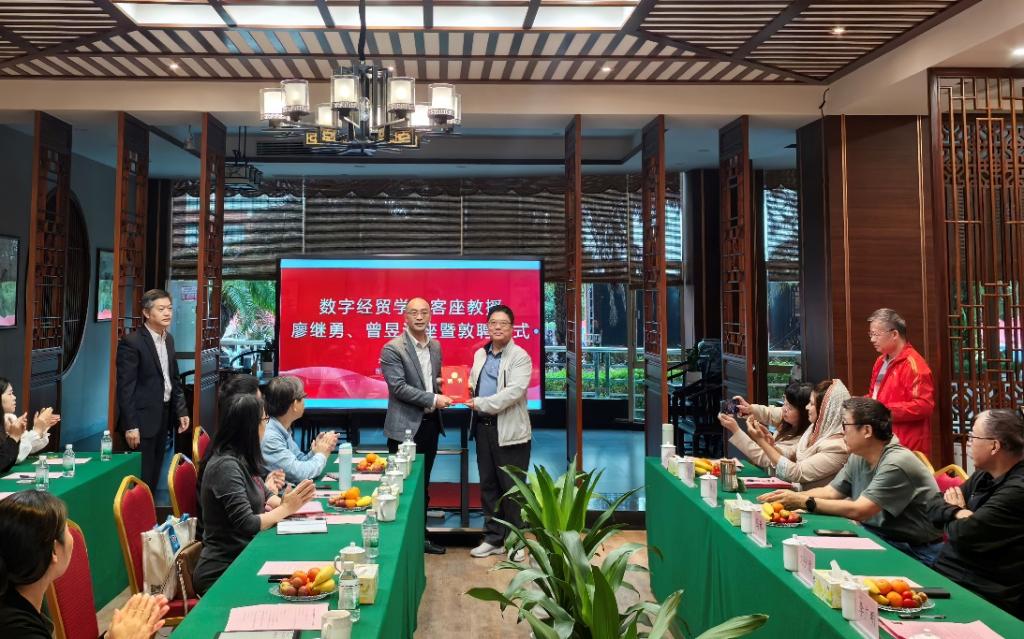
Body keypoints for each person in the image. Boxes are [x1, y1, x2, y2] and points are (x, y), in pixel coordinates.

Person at [761, 398, 943, 564]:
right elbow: (831, 492)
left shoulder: (897, 462)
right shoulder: (859, 455)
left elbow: (860, 510)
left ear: (867, 431)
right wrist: (790, 497)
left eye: (845, 425)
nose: (842, 431)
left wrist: (803, 501)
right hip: (879, 535)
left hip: (916, 551)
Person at [0, 490, 170, 639]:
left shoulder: (17, 602)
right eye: (66, 528)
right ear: (54, 551)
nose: (71, 535)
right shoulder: (17, 629)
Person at [193, 394, 315, 595]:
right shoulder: (225, 466)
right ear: (250, 427)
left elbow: (265, 494)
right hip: (224, 570)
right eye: (265, 420)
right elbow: (248, 523)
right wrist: (286, 508)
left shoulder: (241, 457)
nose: (267, 425)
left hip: (246, 555)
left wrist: (289, 501)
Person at [927, 409, 1024, 618]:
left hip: (985, 593)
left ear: (994, 446)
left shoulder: (1018, 489)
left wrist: (954, 514)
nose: (968, 443)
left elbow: (965, 533)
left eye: (973, 437)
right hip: (946, 574)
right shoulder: (983, 475)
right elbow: (932, 506)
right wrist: (959, 512)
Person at [380, 296, 452, 555]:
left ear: (431, 315)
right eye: (414, 312)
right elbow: (398, 388)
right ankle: (398, 542)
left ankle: (420, 537)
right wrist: (433, 398)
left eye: (424, 312)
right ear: (405, 317)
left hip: (430, 425)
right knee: (400, 486)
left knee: (423, 484)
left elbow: (430, 381)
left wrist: (447, 386)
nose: (419, 317)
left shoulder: (436, 346)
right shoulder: (393, 348)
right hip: (404, 429)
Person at [466, 305, 534, 562]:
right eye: (493, 322)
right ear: (487, 326)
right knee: (489, 486)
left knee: (513, 489)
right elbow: (474, 383)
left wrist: (481, 403)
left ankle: (516, 542)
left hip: (510, 431)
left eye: (503, 323)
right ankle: (494, 539)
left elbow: (513, 393)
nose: (497, 327)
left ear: (512, 328)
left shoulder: (520, 356)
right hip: (483, 429)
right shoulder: (480, 354)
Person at [115, 289, 190, 491]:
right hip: (141, 421)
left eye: (170, 308)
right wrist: (131, 425)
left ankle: (150, 509)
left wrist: (181, 410)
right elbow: (125, 388)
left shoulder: (169, 339)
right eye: (161, 309)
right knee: (142, 477)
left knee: (156, 474)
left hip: (164, 415)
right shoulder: (132, 342)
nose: (167, 313)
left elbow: (173, 378)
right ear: (147, 313)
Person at [734, 379, 851, 489]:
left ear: (824, 410)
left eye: (812, 404)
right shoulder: (813, 428)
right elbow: (790, 453)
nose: (807, 407)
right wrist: (771, 445)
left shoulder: (836, 447)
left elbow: (796, 473)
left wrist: (761, 442)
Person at [866, 308, 935, 455]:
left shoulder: (914, 364)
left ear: (894, 334)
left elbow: (924, 405)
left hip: (907, 445)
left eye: (876, 334)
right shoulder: (880, 361)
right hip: (883, 440)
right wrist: (861, 404)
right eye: (870, 334)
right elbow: (875, 397)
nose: (872, 339)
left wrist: (883, 411)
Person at [260, 376, 337, 483]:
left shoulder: (280, 427)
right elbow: (299, 474)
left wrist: (316, 451)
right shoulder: (270, 437)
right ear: (295, 404)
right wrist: (322, 454)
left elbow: (298, 460)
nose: (305, 402)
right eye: (303, 397)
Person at [719, 382, 813, 469]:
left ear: (806, 412)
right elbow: (769, 413)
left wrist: (736, 430)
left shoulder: (806, 440)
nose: (784, 409)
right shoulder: (787, 416)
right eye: (784, 403)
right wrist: (749, 409)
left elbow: (766, 458)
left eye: (790, 407)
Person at [1, 377, 61, 468]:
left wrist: (41, 429)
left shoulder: (10, 418)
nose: (14, 397)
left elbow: (28, 447)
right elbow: (14, 457)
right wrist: (36, 430)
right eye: (10, 394)